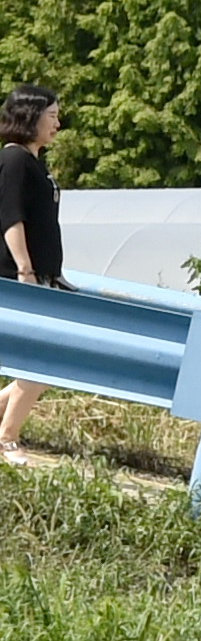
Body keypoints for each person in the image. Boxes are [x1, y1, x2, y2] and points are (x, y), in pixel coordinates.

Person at [0, 85, 62, 460]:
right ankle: (7, 437)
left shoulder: (35, 162)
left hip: (43, 279)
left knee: (45, 362)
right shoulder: (14, 161)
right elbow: (11, 218)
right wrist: (25, 271)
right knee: (41, 362)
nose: (58, 122)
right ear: (30, 118)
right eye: (51, 115)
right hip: (18, 279)